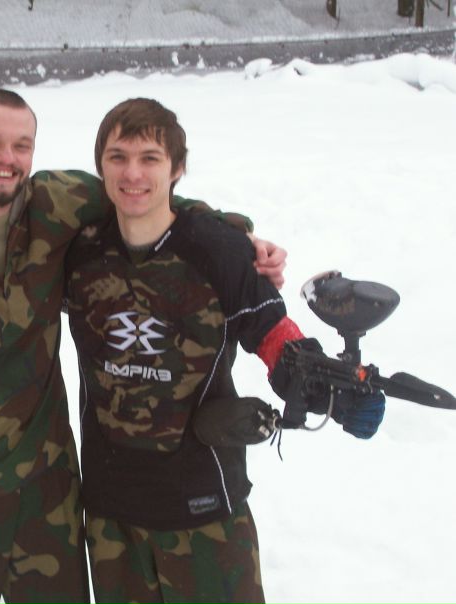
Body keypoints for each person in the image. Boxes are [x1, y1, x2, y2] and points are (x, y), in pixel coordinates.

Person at [0, 88, 286, 604]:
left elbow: (140, 195)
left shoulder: (55, 206)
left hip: (45, 491)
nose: (6, 158)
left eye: (20, 145)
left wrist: (234, 241)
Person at [63, 98, 386, 604]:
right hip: (111, 515)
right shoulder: (78, 253)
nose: (132, 173)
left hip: (203, 508)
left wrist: (329, 390)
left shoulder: (216, 249)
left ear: (177, 168)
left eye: (150, 158)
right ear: (100, 165)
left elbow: (271, 332)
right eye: (117, 157)